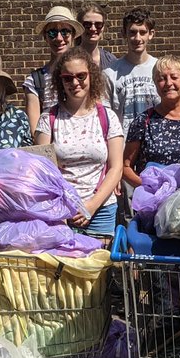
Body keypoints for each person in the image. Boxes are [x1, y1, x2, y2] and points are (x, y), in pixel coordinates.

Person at [35, 46, 124, 239]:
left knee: (99, 268)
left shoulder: (107, 117)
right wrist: (64, 206)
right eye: (68, 78)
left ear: (91, 76)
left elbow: (116, 168)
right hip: (60, 211)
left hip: (101, 210)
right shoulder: (48, 119)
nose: (75, 82)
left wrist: (91, 206)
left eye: (81, 76)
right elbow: (43, 172)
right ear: (60, 81)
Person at [123, 55, 180, 186]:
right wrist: (150, 188)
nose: (168, 83)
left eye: (174, 77)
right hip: (155, 202)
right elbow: (125, 167)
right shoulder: (143, 121)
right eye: (161, 78)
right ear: (155, 84)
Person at [24, 5, 82, 130]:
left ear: (73, 35)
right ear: (45, 37)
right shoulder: (34, 81)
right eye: (52, 32)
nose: (59, 38)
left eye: (65, 32)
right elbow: (34, 130)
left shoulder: (86, 74)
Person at [104, 7, 160, 133]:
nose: (137, 38)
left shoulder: (160, 69)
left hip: (156, 144)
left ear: (151, 34)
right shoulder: (110, 74)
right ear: (124, 33)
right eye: (132, 32)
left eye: (142, 32)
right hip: (124, 147)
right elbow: (106, 118)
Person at [77, 3, 119, 71]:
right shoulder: (69, 58)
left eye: (98, 24)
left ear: (103, 27)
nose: (93, 29)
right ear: (80, 26)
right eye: (87, 24)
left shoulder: (111, 60)